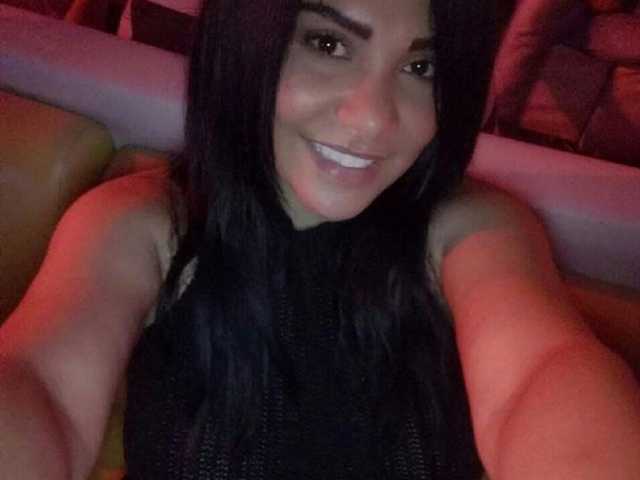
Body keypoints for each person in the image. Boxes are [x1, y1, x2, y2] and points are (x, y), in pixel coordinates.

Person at [1, 0, 639, 479]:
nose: (373, 118)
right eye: (328, 44)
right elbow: (41, 384)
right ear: (247, 43)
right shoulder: (145, 225)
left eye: (421, 66)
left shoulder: (470, 230)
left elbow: (542, 373)